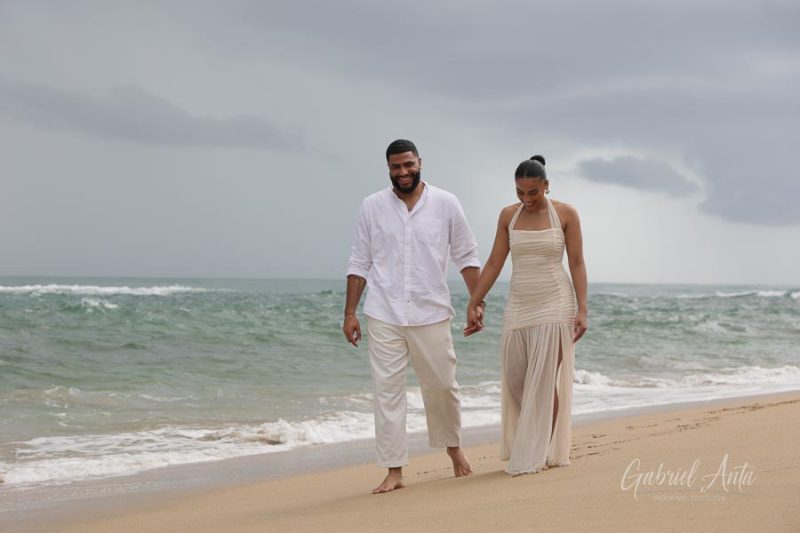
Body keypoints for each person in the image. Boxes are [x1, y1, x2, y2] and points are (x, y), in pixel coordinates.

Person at [343, 139, 484, 493]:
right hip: (384, 312)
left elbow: (466, 255)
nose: (403, 172)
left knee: (442, 387)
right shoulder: (372, 206)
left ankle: (453, 449)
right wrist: (350, 313)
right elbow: (360, 261)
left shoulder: (446, 203)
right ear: (388, 168)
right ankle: (394, 470)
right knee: (387, 393)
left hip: (431, 311)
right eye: (395, 167)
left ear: (420, 162)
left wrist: (476, 301)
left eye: (408, 165)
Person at [464, 155, 587, 476]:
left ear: (546, 186)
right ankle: (533, 441)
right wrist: (475, 301)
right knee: (516, 378)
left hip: (556, 303)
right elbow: (494, 262)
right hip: (519, 304)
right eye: (520, 192)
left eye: (533, 192)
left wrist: (582, 309)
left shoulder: (566, 214)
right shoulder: (509, 216)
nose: (527, 199)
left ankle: (542, 449)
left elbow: (576, 262)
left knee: (544, 381)